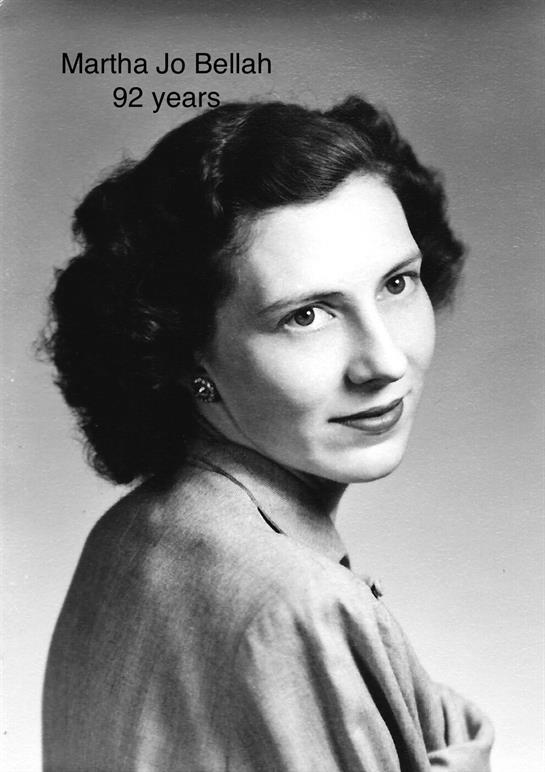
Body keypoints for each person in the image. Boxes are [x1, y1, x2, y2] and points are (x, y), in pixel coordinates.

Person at [42, 96, 494, 771]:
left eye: (398, 283)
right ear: (184, 353)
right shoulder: (296, 606)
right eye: (306, 315)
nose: (384, 362)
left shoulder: (132, 533)